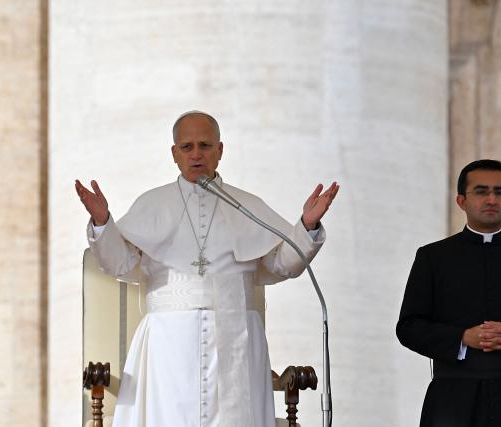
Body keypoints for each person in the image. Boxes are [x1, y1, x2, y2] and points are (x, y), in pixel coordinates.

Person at [76, 111, 339, 427]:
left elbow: (283, 263)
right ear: (174, 153)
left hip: (237, 339)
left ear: (220, 150)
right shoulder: (152, 203)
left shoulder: (246, 205)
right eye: (186, 147)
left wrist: (306, 226)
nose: (196, 154)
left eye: (204, 145)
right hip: (168, 345)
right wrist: (103, 222)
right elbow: (120, 262)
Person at [397, 159, 501, 427]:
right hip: (452, 399)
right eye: (481, 191)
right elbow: (409, 327)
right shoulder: (433, 257)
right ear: (461, 200)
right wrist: (461, 338)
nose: (492, 199)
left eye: (500, 192)